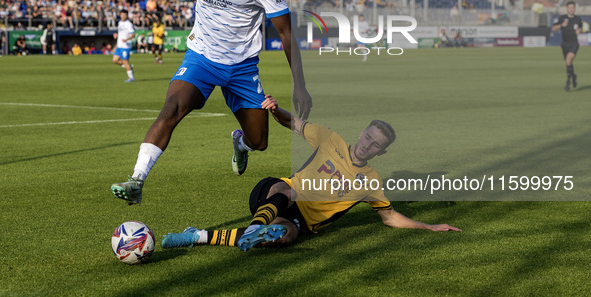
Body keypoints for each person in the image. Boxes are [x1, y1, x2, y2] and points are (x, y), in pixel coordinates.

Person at [110, 0, 312, 205]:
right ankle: (137, 180)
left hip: (242, 67)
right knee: (171, 108)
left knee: (259, 141)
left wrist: (300, 86)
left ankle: (239, 144)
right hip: (201, 57)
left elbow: (286, 32)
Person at [161, 95, 461, 252]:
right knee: (289, 191)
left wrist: (430, 227)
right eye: (368, 137)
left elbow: (390, 217)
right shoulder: (330, 139)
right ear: (362, 132)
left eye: (376, 145)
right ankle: (255, 227)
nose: (368, 145)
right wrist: (275, 111)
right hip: (276, 192)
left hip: (299, 220)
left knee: (282, 237)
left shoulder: (371, 181)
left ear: (381, 153)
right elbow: (293, 124)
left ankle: (195, 237)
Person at [552, 1, 582, 91]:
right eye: (570, 8)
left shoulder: (577, 19)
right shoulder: (562, 18)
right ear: (567, 8)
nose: (571, 9)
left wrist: (579, 31)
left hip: (574, 44)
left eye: (573, 8)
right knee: (568, 63)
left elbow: (580, 28)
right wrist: (561, 25)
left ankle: (568, 82)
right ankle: (573, 76)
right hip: (565, 44)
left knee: (568, 61)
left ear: (575, 8)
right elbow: (554, 28)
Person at [112, 9, 135, 83]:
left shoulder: (128, 24)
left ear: (127, 16)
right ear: (120, 15)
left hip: (126, 46)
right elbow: (121, 33)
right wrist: (116, 35)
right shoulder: (120, 22)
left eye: (124, 15)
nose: (123, 16)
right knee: (115, 60)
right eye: (122, 14)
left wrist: (127, 39)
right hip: (119, 45)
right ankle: (129, 66)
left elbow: (132, 34)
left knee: (125, 62)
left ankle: (131, 77)